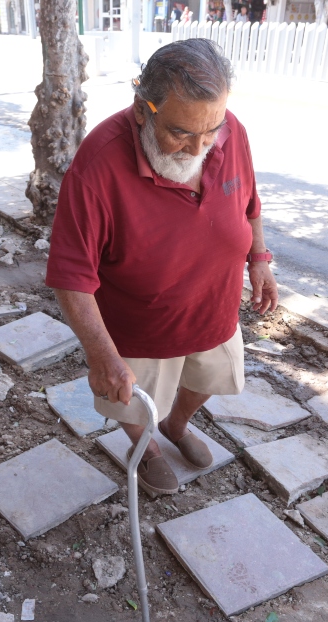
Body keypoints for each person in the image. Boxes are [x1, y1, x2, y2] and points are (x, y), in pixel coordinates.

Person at [47, 39, 277, 496]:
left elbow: (249, 202)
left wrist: (260, 259)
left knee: (213, 376)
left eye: (210, 129)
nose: (199, 147)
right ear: (141, 109)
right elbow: (70, 276)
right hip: (141, 326)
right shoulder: (97, 166)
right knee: (133, 405)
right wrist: (102, 356)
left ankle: (175, 424)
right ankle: (146, 448)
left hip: (215, 307)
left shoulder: (229, 131)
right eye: (180, 133)